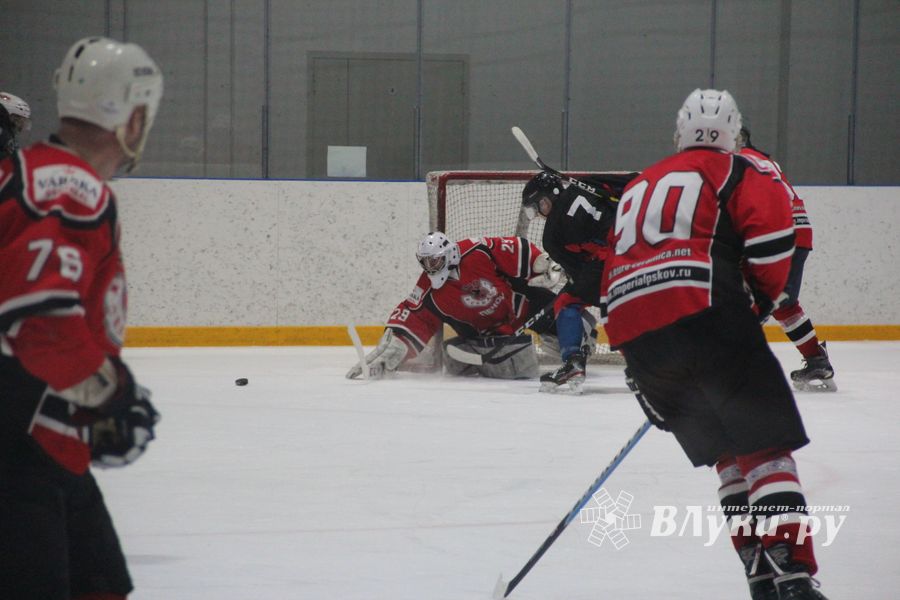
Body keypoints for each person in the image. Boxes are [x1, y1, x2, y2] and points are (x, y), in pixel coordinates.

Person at [602, 89, 827, 599]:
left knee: (728, 455)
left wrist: (634, 353)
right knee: (766, 449)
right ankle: (792, 575)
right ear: (735, 132)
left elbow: (611, 272)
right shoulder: (741, 169)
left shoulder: (640, 182)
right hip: (708, 318)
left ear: (678, 132)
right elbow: (773, 245)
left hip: (637, 335)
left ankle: (759, 574)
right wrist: (758, 303)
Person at [0, 37, 163, 599]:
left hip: (40, 439)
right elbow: (40, 321)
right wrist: (112, 396)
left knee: (102, 584)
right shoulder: (71, 188)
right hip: (17, 451)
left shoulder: (32, 172)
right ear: (130, 113)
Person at [347, 231, 567, 380]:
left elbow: (513, 248)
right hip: (490, 335)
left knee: (569, 321)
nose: (430, 267)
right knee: (516, 368)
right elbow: (415, 316)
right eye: (425, 262)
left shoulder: (476, 251)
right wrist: (396, 348)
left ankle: (574, 352)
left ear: (449, 253)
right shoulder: (429, 290)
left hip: (522, 307)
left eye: (434, 261)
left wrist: (542, 263)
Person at [520, 169, 637, 393]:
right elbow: (634, 180)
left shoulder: (551, 236)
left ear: (549, 196)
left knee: (567, 302)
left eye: (539, 205)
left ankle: (573, 362)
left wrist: (571, 281)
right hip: (642, 245)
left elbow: (579, 270)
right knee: (620, 309)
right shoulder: (586, 184)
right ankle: (644, 367)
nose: (541, 213)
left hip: (609, 261)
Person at [739, 126, 836, 392]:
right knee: (783, 302)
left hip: (776, 233)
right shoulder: (762, 159)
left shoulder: (738, 162)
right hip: (795, 232)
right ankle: (817, 359)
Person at [0, 91, 32, 160]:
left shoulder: (6, 132)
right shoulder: (3, 134)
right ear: (12, 116)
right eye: (20, 119)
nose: (21, 124)